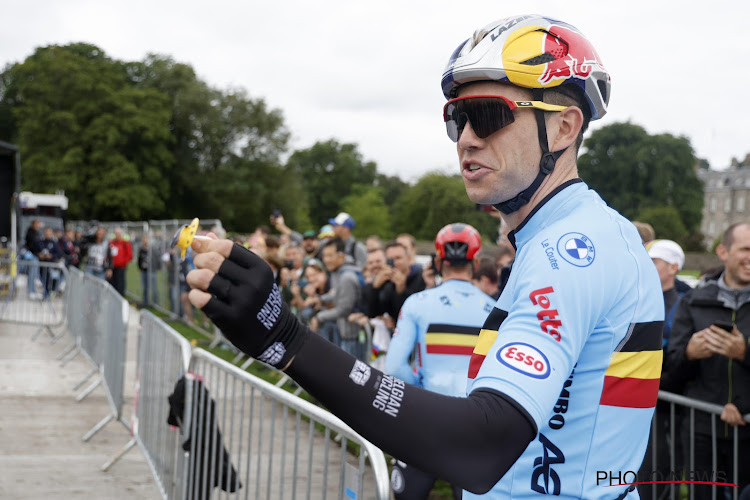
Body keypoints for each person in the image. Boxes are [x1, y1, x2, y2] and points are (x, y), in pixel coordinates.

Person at [187, 15, 664, 498]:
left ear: (564, 128)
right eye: (456, 117)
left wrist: (287, 341)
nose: (467, 138)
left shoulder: (573, 250)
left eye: (489, 114)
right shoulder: (565, 238)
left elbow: (482, 444)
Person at [386, 223, 495, 499]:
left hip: (426, 415)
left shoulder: (417, 303)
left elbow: (395, 366)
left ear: (437, 261)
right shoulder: (494, 310)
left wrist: (420, 387)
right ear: (477, 263)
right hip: (475, 418)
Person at [665, 223, 750, 498]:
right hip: (702, 431)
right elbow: (670, 370)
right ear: (723, 252)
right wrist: (689, 353)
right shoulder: (694, 302)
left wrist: (744, 353)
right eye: (745, 249)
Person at [640, 239, 687, 499]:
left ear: (674, 267)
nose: (648, 267)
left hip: (668, 403)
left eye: (654, 262)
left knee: (660, 470)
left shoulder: (683, 304)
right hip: (637, 397)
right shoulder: (637, 298)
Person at [310, 238, 365, 360]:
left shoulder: (347, 277)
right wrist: (321, 299)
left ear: (341, 256)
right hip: (347, 334)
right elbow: (337, 293)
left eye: (330, 255)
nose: (326, 260)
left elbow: (343, 309)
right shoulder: (340, 272)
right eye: (324, 256)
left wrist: (319, 317)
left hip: (353, 337)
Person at [368, 242, 426, 319]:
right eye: (390, 260)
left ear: (408, 259)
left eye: (398, 258)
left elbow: (416, 311)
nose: (395, 263)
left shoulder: (421, 277)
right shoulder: (386, 280)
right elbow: (374, 313)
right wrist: (375, 288)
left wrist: (401, 291)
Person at [109, 227, 133, 297]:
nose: (117, 235)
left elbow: (129, 255)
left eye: (118, 234)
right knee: (112, 282)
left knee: (120, 283)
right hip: (112, 266)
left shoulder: (125, 243)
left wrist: (122, 262)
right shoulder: (111, 243)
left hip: (121, 266)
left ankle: (120, 296)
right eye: (116, 234)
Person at [138, 234, 160, 307]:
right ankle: (146, 302)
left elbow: (157, 259)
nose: (145, 241)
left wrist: (155, 268)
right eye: (144, 239)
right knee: (145, 287)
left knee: (153, 287)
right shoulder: (141, 249)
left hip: (152, 271)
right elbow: (139, 259)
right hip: (144, 271)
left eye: (146, 239)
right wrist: (140, 267)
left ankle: (155, 303)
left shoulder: (153, 249)